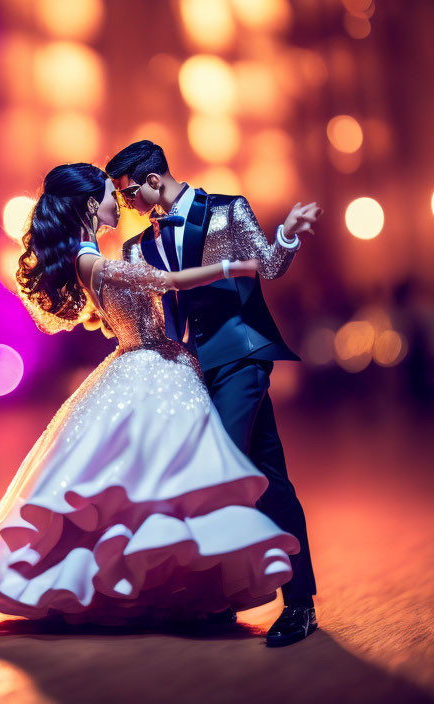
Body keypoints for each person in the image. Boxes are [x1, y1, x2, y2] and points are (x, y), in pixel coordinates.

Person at [0, 163, 301, 628]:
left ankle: (181, 585)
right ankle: (184, 587)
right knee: (166, 481)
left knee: (156, 485)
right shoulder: (92, 260)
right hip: (152, 362)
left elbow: (120, 308)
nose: (116, 203)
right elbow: (166, 284)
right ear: (89, 204)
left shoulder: (99, 255)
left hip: (157, 359)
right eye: (109, 194)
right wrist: (228, 267)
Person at [106, 140, 321, 646]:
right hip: (192, 369)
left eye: (128, 191)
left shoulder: (227, 211)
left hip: (243, 357)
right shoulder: (138, 247)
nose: (127, 203)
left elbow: (268, 267)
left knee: (220, 464)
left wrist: (286, 235)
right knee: (267, 475)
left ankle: (264, 597)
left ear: (153, 181)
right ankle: (279, 601)